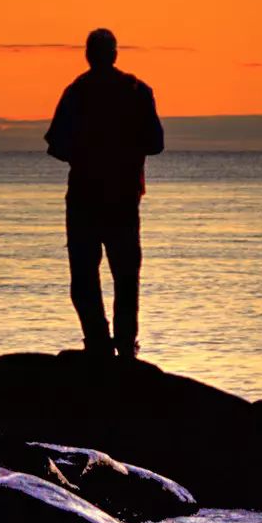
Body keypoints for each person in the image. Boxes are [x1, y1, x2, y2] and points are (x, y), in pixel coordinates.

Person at [44, 28, 164, 358]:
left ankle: (98, 341)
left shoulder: (76, 92)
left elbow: (55, 146)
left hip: (85, 196)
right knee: (125, 275)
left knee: (84, 276)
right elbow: (156, 143)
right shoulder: (137, 91)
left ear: (88, 55)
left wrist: (86, 154)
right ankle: (124, 345)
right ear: (114, 55)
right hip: (122, 197)